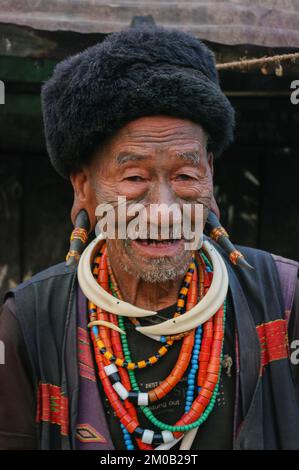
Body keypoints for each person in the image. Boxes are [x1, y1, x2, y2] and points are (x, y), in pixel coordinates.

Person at [0, 25, 299, 450]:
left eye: (185, 175)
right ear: (83, 186)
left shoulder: (286, 302)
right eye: (135, 176)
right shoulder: (28, 324)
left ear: (210, 175)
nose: (162, 212)